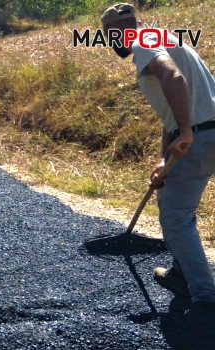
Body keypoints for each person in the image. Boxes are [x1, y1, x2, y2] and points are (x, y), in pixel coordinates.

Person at [101, 3, 215, 314]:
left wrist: (188, 131)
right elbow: (171, 118)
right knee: (168, 198)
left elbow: (174, 80)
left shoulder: (142, 44)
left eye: (110, 38)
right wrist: (164, 160)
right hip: (207, 132)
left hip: (201, 136)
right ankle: (180, 273)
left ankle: (205, 298)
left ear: (116, 32)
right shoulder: (163, 37)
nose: (112, 45)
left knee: (177, 219)